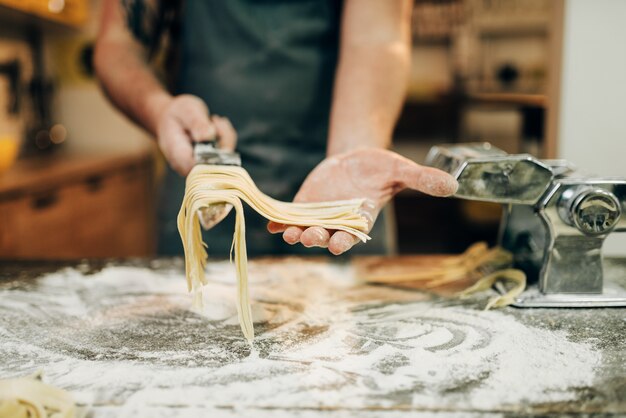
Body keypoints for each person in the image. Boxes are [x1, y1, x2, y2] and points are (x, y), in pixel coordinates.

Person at [94, 0, 457, 257]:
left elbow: (377, 36)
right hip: (206, 188)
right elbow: (118, 43)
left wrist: (351, 153)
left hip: (333, 194)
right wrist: (161, 111)